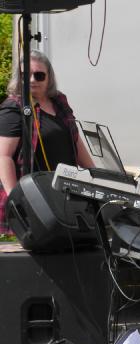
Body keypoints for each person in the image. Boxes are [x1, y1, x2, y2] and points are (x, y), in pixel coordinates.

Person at [0, 50, 95, 235]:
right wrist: (16, 200)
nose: (32, 79)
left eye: (39, 75)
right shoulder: (14, 108)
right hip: (34, 199)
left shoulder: (59, 102)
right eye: (26, 75)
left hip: (64, 194)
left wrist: (95, 175)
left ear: (49, 78)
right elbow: (3, 157)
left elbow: (75, 141)